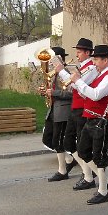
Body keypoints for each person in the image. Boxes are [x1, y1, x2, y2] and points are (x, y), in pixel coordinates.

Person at [70, 44, 108, 203]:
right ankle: (104, 179)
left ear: (105, 60)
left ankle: (103, 191)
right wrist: (80, 85)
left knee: (99, 156)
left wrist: (79, 81)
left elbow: (97, 95)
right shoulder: (101, 74)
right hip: (91, 117)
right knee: (83, 150)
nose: (94, 63)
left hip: (102, 119)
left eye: (97, 60)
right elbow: (89, 94)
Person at [54, 38, 98, 189]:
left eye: (79, 52)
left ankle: (89, 176)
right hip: (75, 107)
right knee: (68, 143)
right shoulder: (81, 67)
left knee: (81, 144)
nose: (77, 54)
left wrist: (61, 71)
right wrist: (62, 72)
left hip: (82, 109)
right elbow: (72, 84)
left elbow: (77, 86)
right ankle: (89, 173)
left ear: (87, 52)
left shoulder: (91, 68)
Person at [40, 47, 74, 181]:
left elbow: (72, 93)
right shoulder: (53, 73)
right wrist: (45, 91)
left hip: (63, 110)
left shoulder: (66, 72)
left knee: (58, 141)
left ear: (60, 58)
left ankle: (62, 170)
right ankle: (69, 158)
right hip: (53, 109)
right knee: (47, 139)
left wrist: (53, 93)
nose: (50, 62)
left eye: (52, 59)